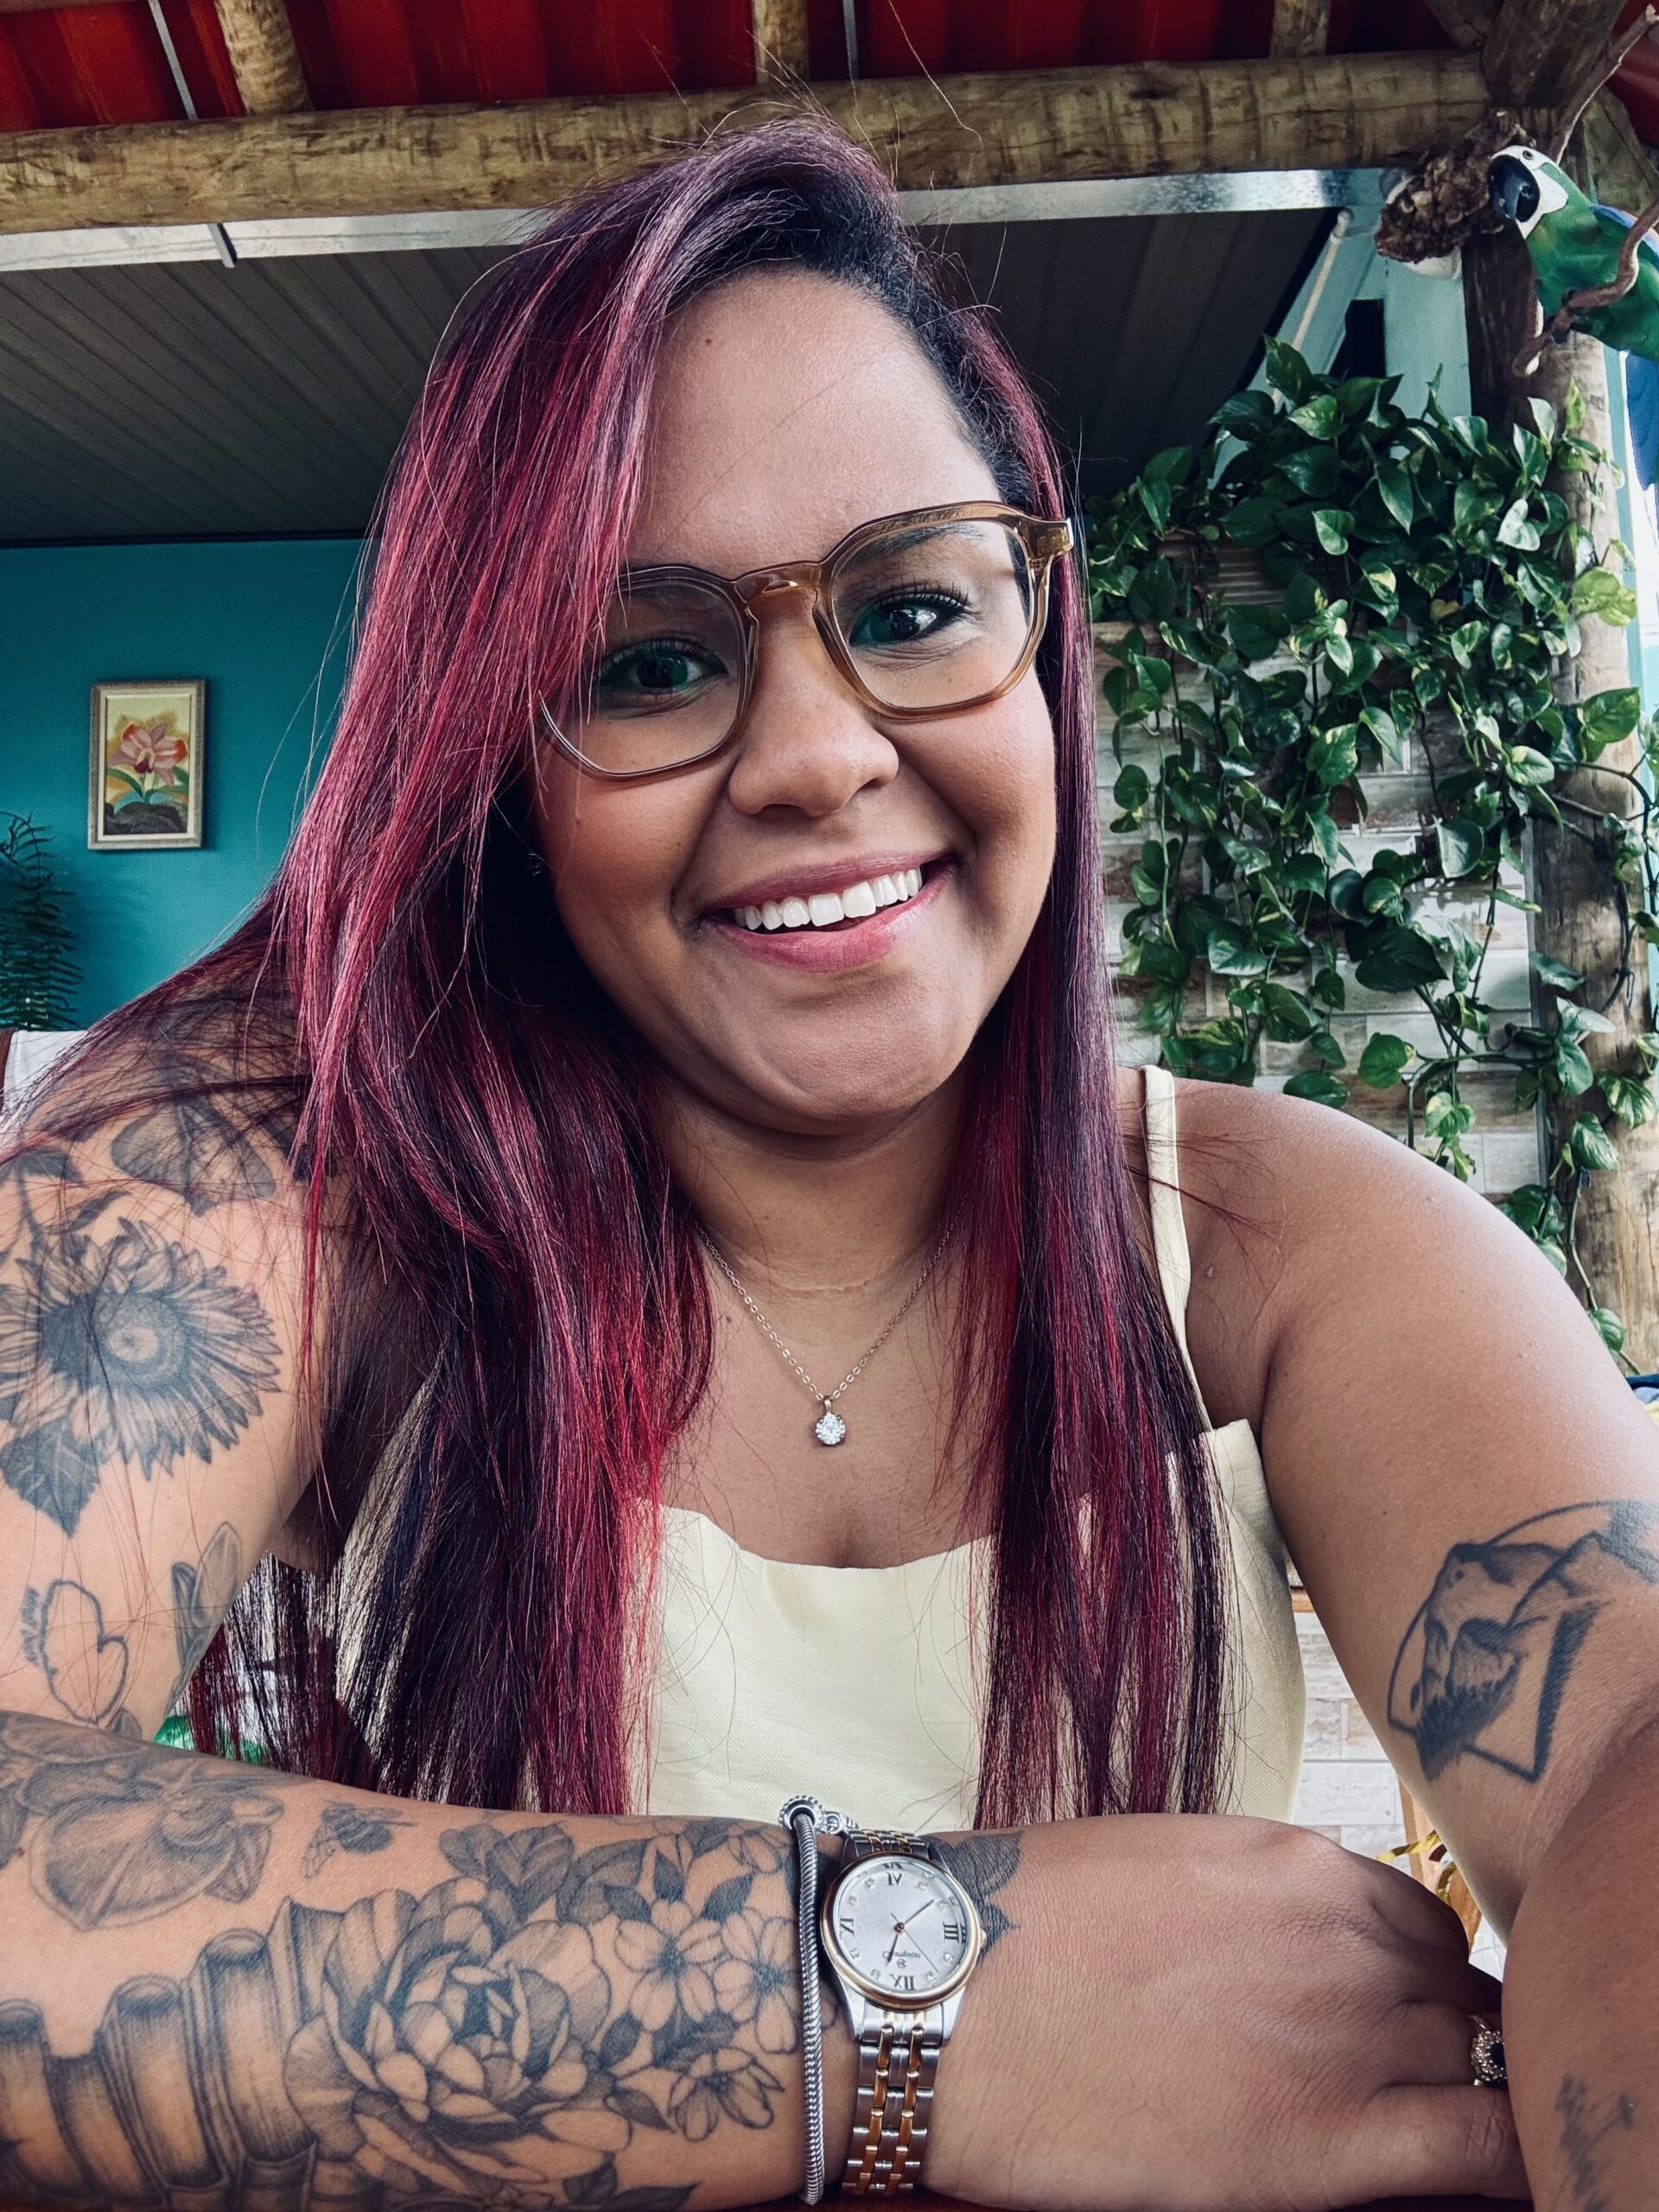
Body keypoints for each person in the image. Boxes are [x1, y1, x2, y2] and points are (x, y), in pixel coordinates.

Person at [0, 119, 1654, 2212]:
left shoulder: (1281, 1237)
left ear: (1039, 646)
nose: (815, 753)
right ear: (495, 762)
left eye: (915, 602)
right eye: (649, 659)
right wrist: (907, 1992)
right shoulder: (289, 1179)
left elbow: (1623, 1760)